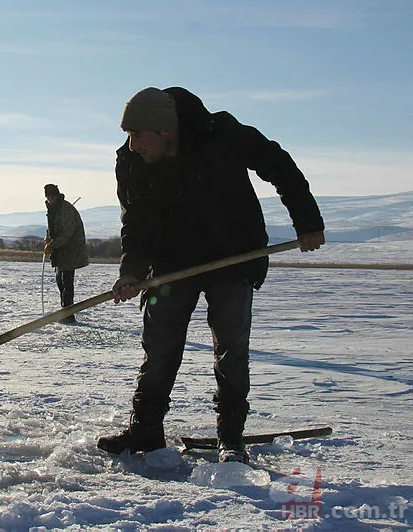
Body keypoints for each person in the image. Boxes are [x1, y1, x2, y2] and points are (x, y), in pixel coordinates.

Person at [97, 87, 325, 463]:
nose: (131, 143)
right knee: (160, 348)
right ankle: (146, 429)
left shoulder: (222, 134)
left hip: (233, 257)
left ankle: (231, 436)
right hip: (171, 264)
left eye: (138, 134)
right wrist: (131, 272)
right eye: (128, 134)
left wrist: (307, 222)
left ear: (164, 130)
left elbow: (279, 165)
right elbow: (135, 222)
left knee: (231, 349)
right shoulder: (131, 161)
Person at [44, 184, 89, 324]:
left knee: (67, 282)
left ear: (57, 195)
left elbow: (67, 233)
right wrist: (49, 237)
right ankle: (65, 310)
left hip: (71, 251)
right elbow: (55, 228)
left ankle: (68, 314)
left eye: (52, 196)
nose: (50, 199)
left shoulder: (66, 209)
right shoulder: (53, 209)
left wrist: (52, 245)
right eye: (48, 197)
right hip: (61, 251)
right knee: (60, 281)